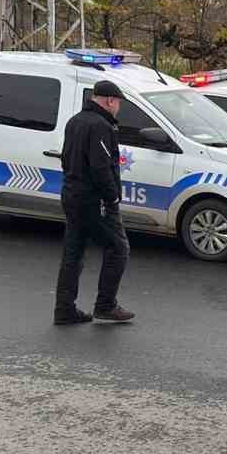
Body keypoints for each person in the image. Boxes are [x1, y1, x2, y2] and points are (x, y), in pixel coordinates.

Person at [54, 78, 135, 326]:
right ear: (110, 100)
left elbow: (66, 159)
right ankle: (106, 305)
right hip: (94, 199)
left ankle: (64, 309)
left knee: (73, 252)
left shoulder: (75, 121)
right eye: (118, 102)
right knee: (119, 248)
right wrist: (111, 196)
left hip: (72, 194)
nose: (118, 107)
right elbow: (101, 166)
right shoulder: (101, 126)